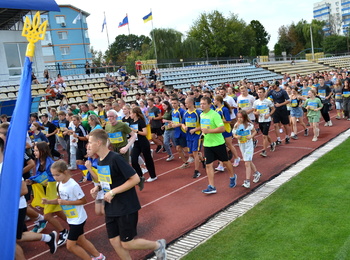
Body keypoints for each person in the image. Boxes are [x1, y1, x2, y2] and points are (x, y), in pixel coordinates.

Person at [88, 129, 167, 259]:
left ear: (99, 142)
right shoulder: (101, 160)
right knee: (114, 241)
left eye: (90, 142)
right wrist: (98, 187)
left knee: (127, 243)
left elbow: (135, 179)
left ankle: (157, 245)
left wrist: (113, 192)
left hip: (125, 206)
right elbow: (109, 181)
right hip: (111, 206)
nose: (88, 146)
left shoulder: (115, 158)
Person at [43, 160, 106, 260]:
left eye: (57, 175)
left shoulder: (73, 185)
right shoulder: (58, 184)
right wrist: (48, 201)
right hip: (71, 218)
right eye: (53, 175)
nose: (55, 177)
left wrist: (67, 203)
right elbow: (60, 200)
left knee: (70, 246)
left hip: (78, 219)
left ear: (65, 172)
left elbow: (83, 201)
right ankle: (99, 256)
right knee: (81, 240)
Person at [27, 142, 69, 247]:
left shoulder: (50, 163)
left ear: (43, 151)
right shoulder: (39, 161)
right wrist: (32, 180)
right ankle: (74, 223)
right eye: (34, 150)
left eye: (36, 150)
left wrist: (42, 180)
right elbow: (40, 175)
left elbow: (52, 177)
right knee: (58, 211)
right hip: (47, 190)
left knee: (47, 215)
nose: (34, 152)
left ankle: (63, 232)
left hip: (53, 190)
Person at [200, 97, 237, 194]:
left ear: (209, 105)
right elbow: (203, 128)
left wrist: (209, 131)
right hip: (207, 144)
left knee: (225, 161)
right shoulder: (202, 115)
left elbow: (222, 129)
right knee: (208, 165)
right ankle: (211, 186)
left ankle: (232, 176)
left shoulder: (215, 115)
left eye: (204, 104)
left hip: (218, 143)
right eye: (201, 104)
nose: (201, 105)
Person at [232, 110, 262, 188]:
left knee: (246, 163)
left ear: (244, 117)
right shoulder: (236, 125)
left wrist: (251, 136)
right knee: (248, 160)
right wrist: (236, 137)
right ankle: (256, 173)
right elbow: (234, 134)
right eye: (238, 117)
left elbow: (254, 131)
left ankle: (247, 181)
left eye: (241, 117)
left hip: (248, 145)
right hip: (242, 144)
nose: (239, 119)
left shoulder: (249, 125)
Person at [130, 107, 158, 184]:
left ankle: (153, 176)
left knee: (148, 159)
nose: (130, 115)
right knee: (133, 159)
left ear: (135, 114)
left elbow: (145, 133)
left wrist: (136, 131)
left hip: (143, 142)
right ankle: (140, 176)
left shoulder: (141, 121)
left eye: (131, 113)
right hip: (136, 143)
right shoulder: (132, 122)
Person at [214, 95, 240, 171]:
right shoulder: (216, 110)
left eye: (214, 100)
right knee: (221, 146)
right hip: (219, 130)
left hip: (226, 129)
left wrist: (220, 120)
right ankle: (221, 164)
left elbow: (229, 120)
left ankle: (236, 158)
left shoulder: (224, 109)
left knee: (229, 145)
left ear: (218, 101)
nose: (213, 101)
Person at [182, 97, 205, 178]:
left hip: (197, 135)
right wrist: (184, 126)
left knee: (195, 152)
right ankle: (203, 160)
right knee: (191, 153)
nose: (185, 105)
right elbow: (182, 123)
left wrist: (195, 129)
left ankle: (196, 171)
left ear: (191, 103)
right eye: (185, 103)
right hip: (188, 135)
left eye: (187, 103)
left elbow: (203, 125)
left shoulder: (198, 113)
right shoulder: (185, 113)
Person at [253, 87, 276, 157]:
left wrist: (269, 114)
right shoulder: (256, 102)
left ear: (264, 93)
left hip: (267, 120)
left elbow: (273, 109)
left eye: (260, 92)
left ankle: (264, 151)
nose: (259, 94)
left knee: (264, 136)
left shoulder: (268, 101)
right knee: (265, 134)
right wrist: (256, 113)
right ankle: (272, 143)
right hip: (260, 120)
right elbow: (254, 111)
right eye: (258, 92)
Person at [267, 80, 291, 145]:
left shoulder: (283, 91)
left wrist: (280, 104)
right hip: (275, 110)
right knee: (275, 125)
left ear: (277, 85)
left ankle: (287, 136)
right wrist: (268, 90)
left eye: (273, 85)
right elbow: (265, 96)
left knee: (285, 124)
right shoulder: (271, 91)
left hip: (283, 109)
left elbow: (288, 100)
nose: (272, 86)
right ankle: (278, 139)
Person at [169, 98, 189, 169]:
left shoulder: (182, 111)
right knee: (178, 148)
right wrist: (171, 124)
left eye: (175, 103)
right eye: (172, 103)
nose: (173, 105)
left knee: (186, 149)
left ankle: (199, 155)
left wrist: (177, 125)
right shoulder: (173, 111)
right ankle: (185, 163)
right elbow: (174, 121)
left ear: (178, 103)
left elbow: (185, 122)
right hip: (176, 132)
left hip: (182, 132)